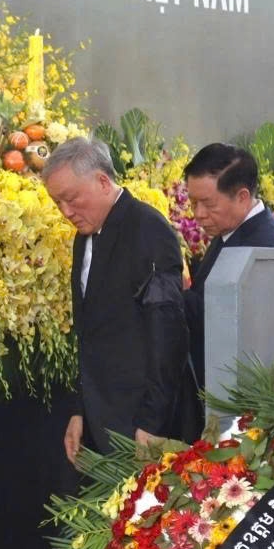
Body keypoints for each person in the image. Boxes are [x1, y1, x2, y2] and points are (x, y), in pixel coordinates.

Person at [43, 137, 190, 463]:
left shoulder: (148, 229)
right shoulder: (85, 238)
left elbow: (168, 333)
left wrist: (152, 421)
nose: (66, 212)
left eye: (71, 199)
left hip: (140, 422)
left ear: (102, 181)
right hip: (99, 418)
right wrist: (79, 408)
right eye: (57, 203)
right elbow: (90, 332)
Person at [182, 143, 274, 383]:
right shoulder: (231, 231)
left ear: (242, 197)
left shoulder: (264, 249)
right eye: (193, 203)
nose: (198, 214)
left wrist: (175, 289)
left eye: (209, 204)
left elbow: (224, 324)